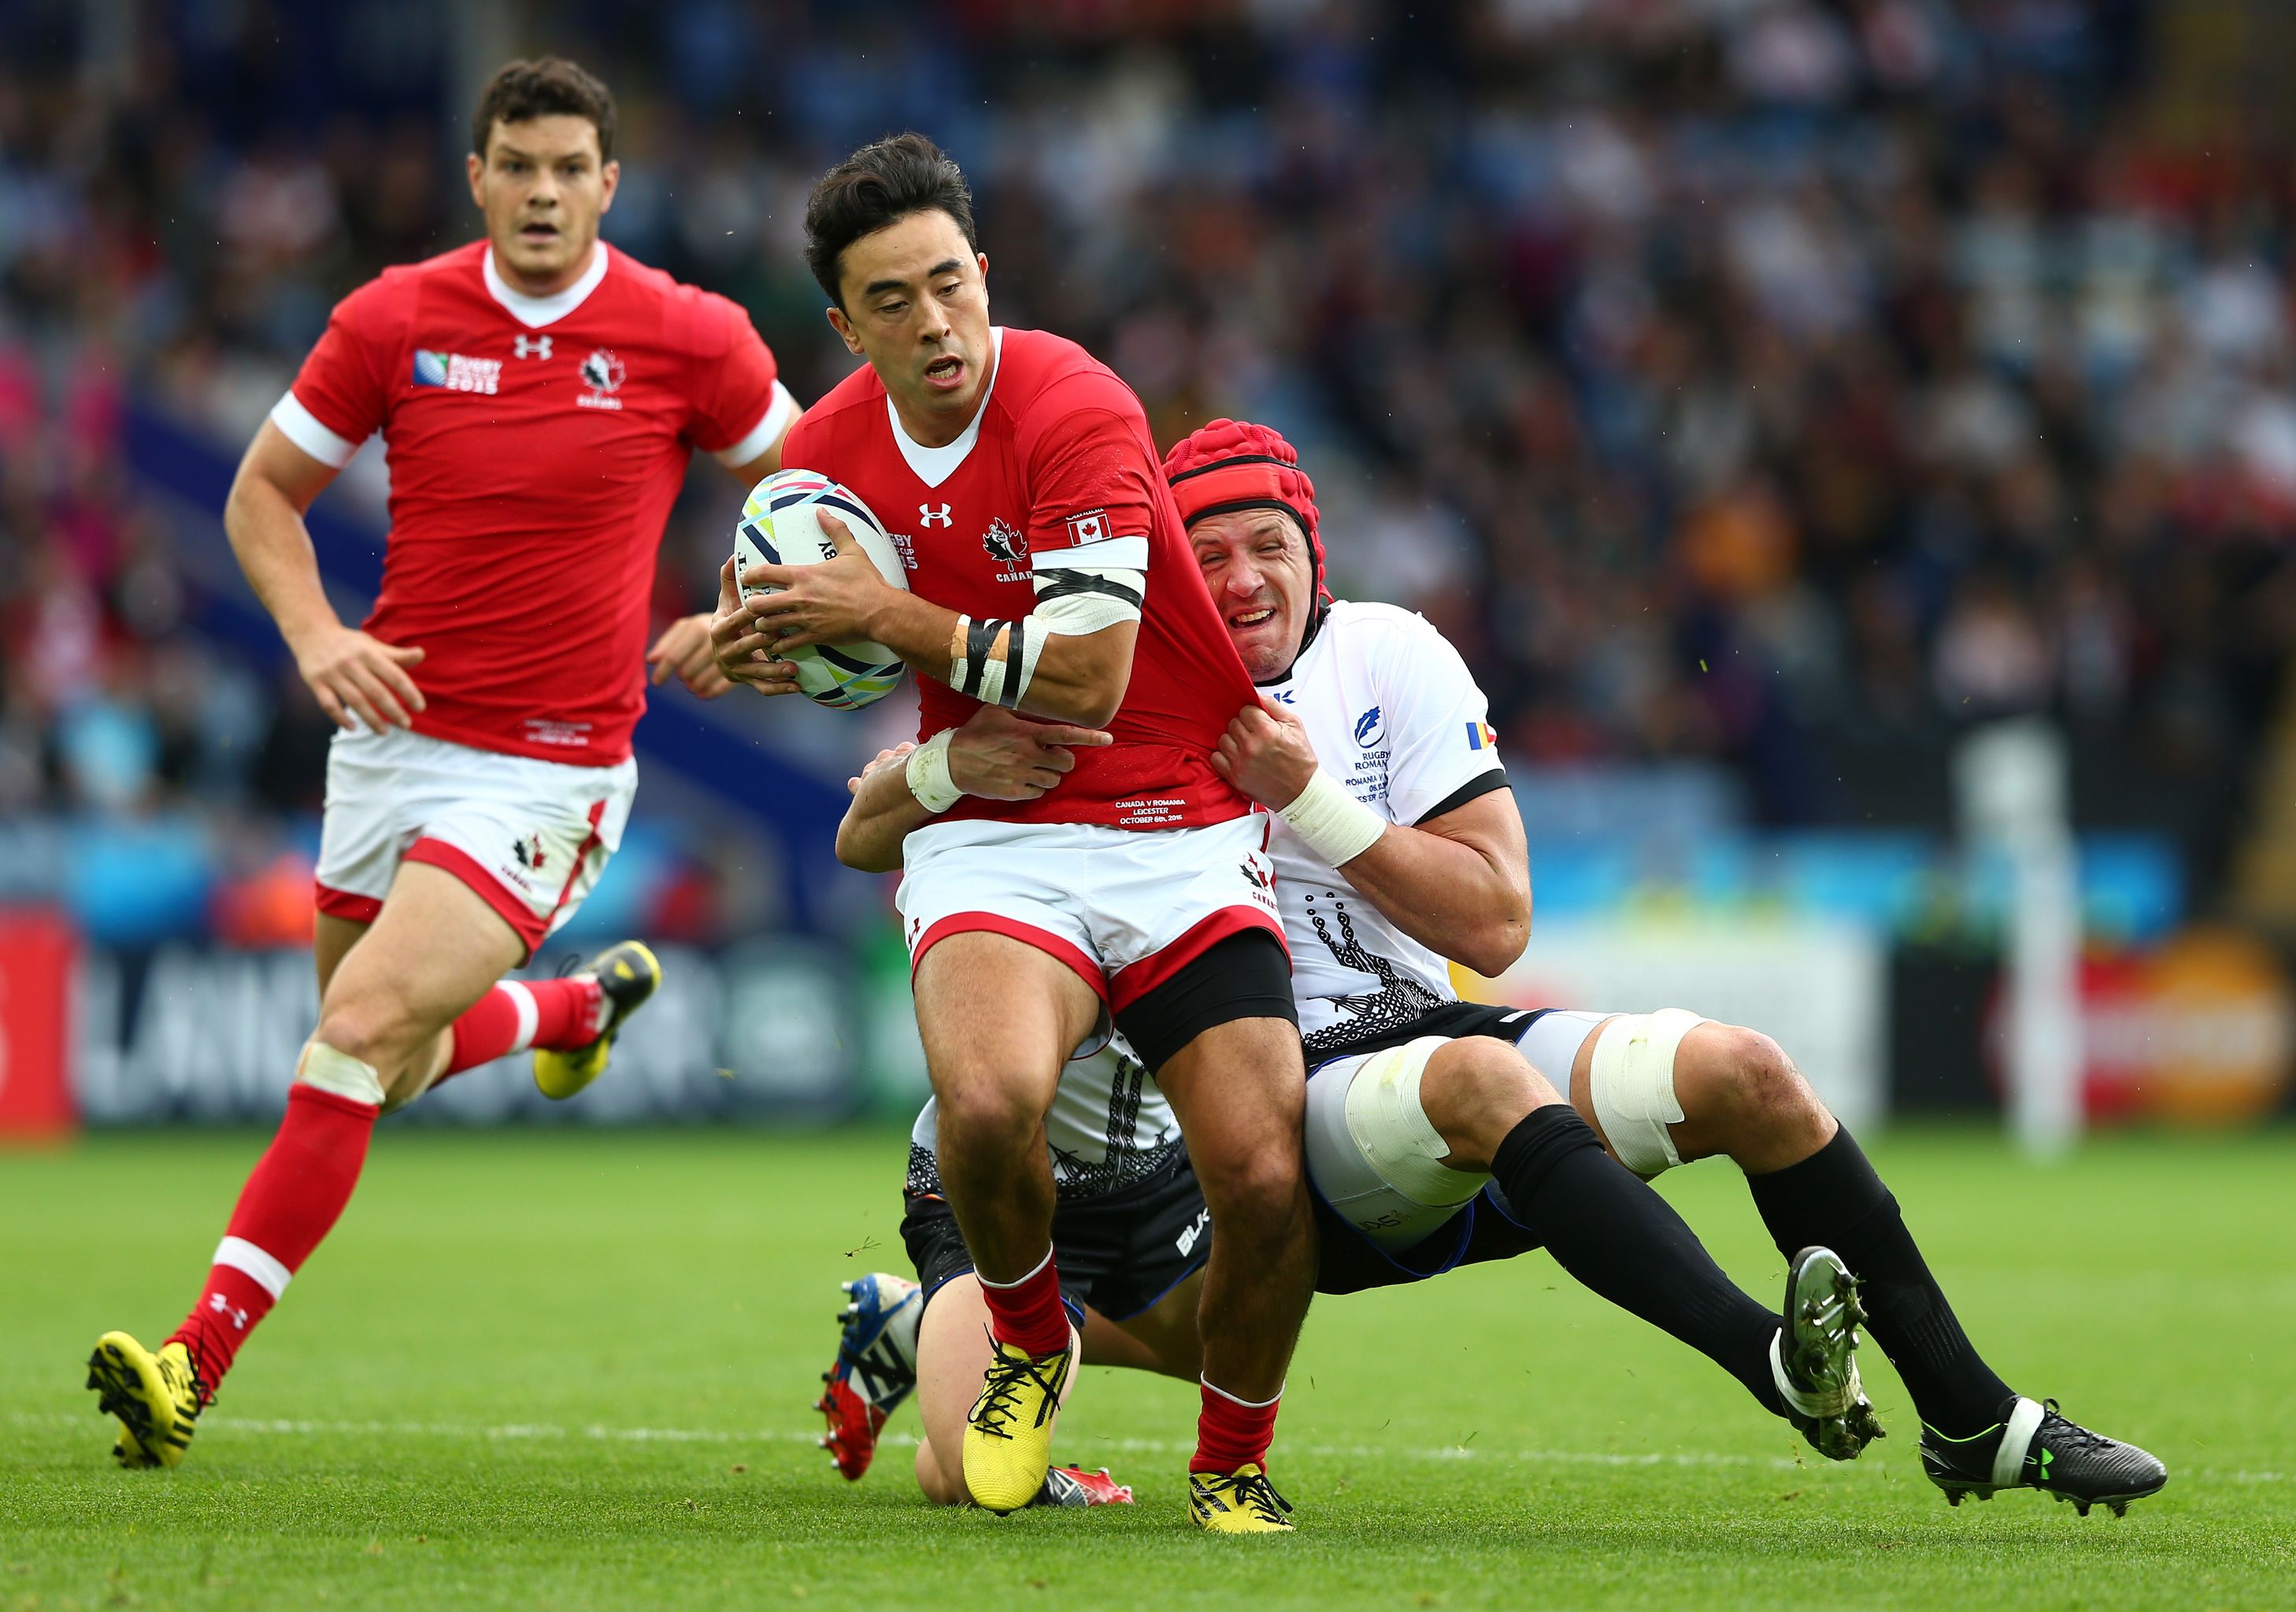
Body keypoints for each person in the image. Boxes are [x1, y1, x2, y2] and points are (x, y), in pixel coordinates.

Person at [823, 418, 2169, 1520]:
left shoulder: (1390, 656)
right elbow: (879, 817)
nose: (1239, 580)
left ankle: (1976, 1420)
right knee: (1018, 1436)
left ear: (1314, 552)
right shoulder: (1107, 684)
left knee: (1749, 1076)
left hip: (1402, 1039)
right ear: (1158, 568)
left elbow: (1496, 922)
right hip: (1247, 1102)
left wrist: (1318, 804)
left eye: (1266, 547)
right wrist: (926, 761)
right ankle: (1771, 1358)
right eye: (1206, 553)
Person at [84, 57, 800, 1471]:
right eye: (516, 166)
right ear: (475, 178)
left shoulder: (685, 335)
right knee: (387, 1069)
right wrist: (311, 634)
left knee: (350, 1036)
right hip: (389, 744)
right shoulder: (393, 317)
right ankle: (568, 1016)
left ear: (610, 183)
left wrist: (743, 617)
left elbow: (824, 492)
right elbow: (260, 498)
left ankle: (192, 1359)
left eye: (568, 168)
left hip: (549, 770)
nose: (542, 192)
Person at [707, 134, 1314, 1532]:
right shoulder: (820, 458)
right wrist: (774, 646)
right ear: (846, 329)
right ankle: (1029, 1339)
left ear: (985, 275)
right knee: (984, 1110)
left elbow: (1088, 679)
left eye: (949, 286)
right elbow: (827, 651)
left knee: (1266, 1174)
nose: (934, 325)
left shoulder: (1076, 401)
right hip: (998, 824)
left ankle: (1229, 1458)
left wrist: (877, 620)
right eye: (893, 303)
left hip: (1173, 816)